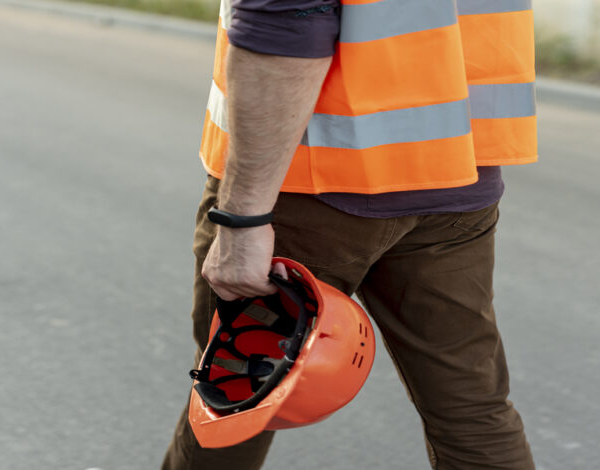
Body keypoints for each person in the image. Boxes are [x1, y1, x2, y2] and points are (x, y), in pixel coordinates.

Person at [162, 0, 538, 468]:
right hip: (456, 172)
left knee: (238, 394)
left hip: (312, 183)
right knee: (471, 410)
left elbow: (285, 24)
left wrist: (243, 219)